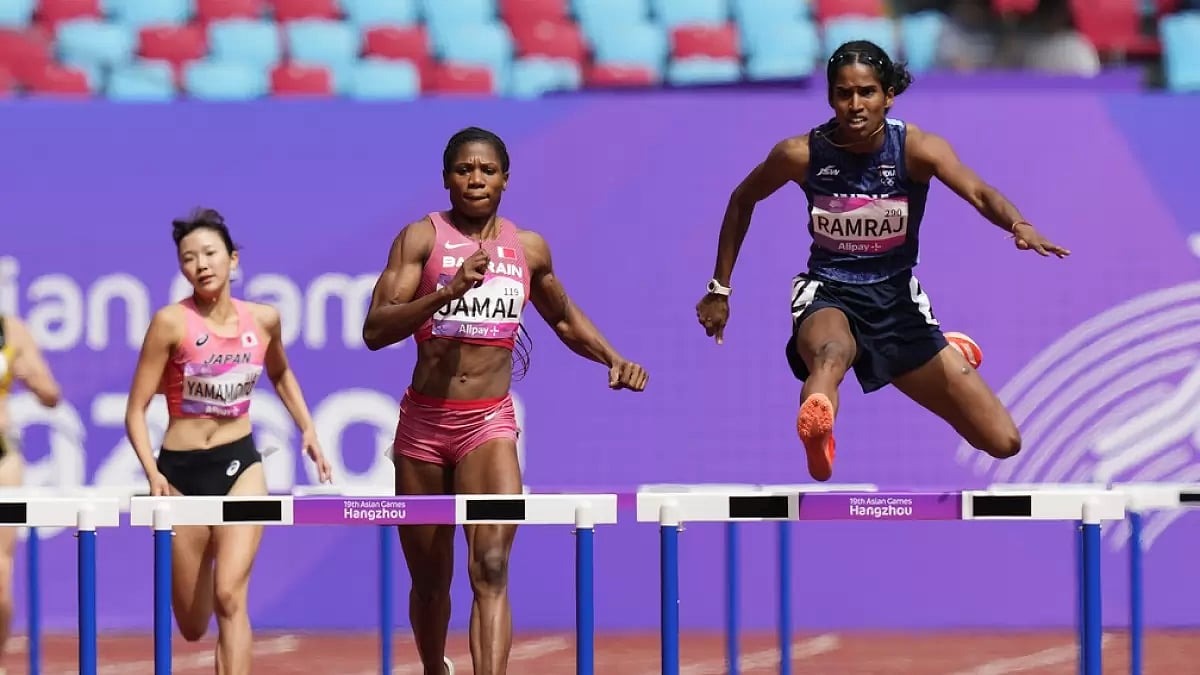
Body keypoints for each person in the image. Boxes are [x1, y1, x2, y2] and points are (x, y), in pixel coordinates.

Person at [695, 40, 1069, 483]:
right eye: (843, 94)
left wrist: (1018, 224)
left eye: (867, 92)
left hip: (896, 305)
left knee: (1002, 441)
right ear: (831, 97)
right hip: (829, 292)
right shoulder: (801, 154)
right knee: (831, 354)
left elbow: (979, 192)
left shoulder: (916, 149)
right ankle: (818, 432)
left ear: (888, 95)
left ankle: (942, 351)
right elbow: (742, 199)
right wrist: (719, 288)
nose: (855, 105)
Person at [363, 126, 648, 675]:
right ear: (446, 179)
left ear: (505, 180)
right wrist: (447, 292)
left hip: (488, 425)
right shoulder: (420, 239)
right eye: (464, 170)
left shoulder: (527, 249)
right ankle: (433, 669)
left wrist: (612, 358)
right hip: (424, 427)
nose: (476, 179)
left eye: (487, 170)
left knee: (491, 566)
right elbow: (375, 329)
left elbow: (563, 318)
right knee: (430, 581)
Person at [124, 208, 332, 675]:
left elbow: (280, 372)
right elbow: (135, 409)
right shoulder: (170, 323)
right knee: (193, 623)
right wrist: (153, 474)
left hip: (241, 466)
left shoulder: (264, 320)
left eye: (210, 253)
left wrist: (308, 427)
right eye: (188, 258)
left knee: (230, 596)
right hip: (180, 475)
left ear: (233, 259)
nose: (200, 264)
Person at [0, 313, 60, 674]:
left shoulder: (9, 330)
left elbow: (52, 394)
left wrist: (34, 381)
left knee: (0, 570)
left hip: (2, 456)